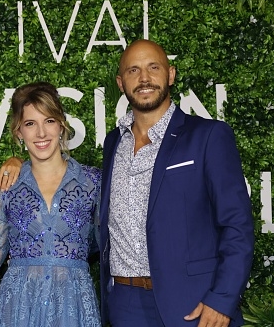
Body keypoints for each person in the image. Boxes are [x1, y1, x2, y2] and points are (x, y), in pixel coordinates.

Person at [99, 39, 254, 327]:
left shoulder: (208, 136)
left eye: (153, 67)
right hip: (125, 305)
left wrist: (222, 299)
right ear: (121, 83)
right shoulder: (113, 143)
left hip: (194, 305)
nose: (144, 78)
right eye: (133, 70)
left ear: (170, 74)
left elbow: (237, 225)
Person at [0, 82, 102, 327]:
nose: (41, 133)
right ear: (18, 131)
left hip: (74, 307)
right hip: (19, 309)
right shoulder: (5, 187)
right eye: (30, 124)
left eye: (49, 121)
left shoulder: (93, 181)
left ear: (61, 124)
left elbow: (105, 245)